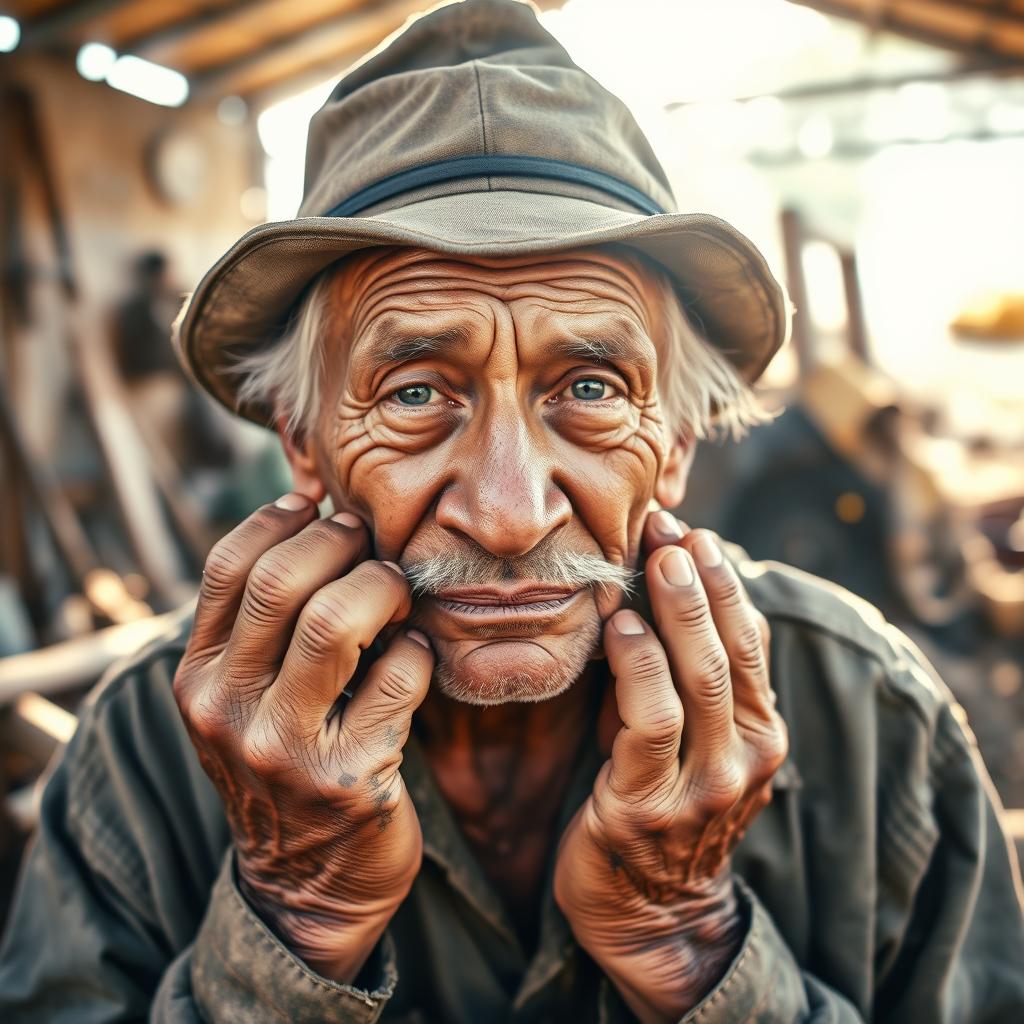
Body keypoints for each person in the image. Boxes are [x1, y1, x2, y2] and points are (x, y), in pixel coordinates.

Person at [2, 1, 1022, 1020]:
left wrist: (690, 937)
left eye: (587, 390)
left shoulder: (865, 711)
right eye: (413, 393)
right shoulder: (145, 744)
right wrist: (294, 909)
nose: (508, 514)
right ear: (302, 445)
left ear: (672, 441)